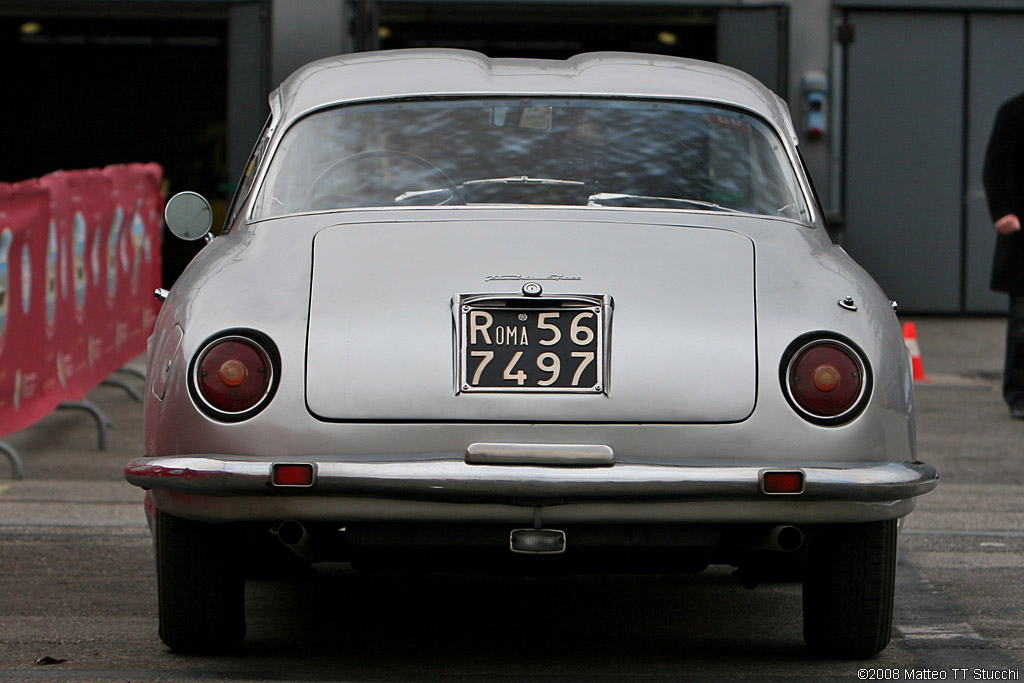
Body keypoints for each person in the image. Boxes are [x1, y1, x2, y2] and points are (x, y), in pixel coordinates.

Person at [982, 92, 1024, 420]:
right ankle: (1018, 394)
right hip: (1021, 229)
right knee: (1022, 321)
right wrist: (1002, 211)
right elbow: (996, 164)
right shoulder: (1013, 111)